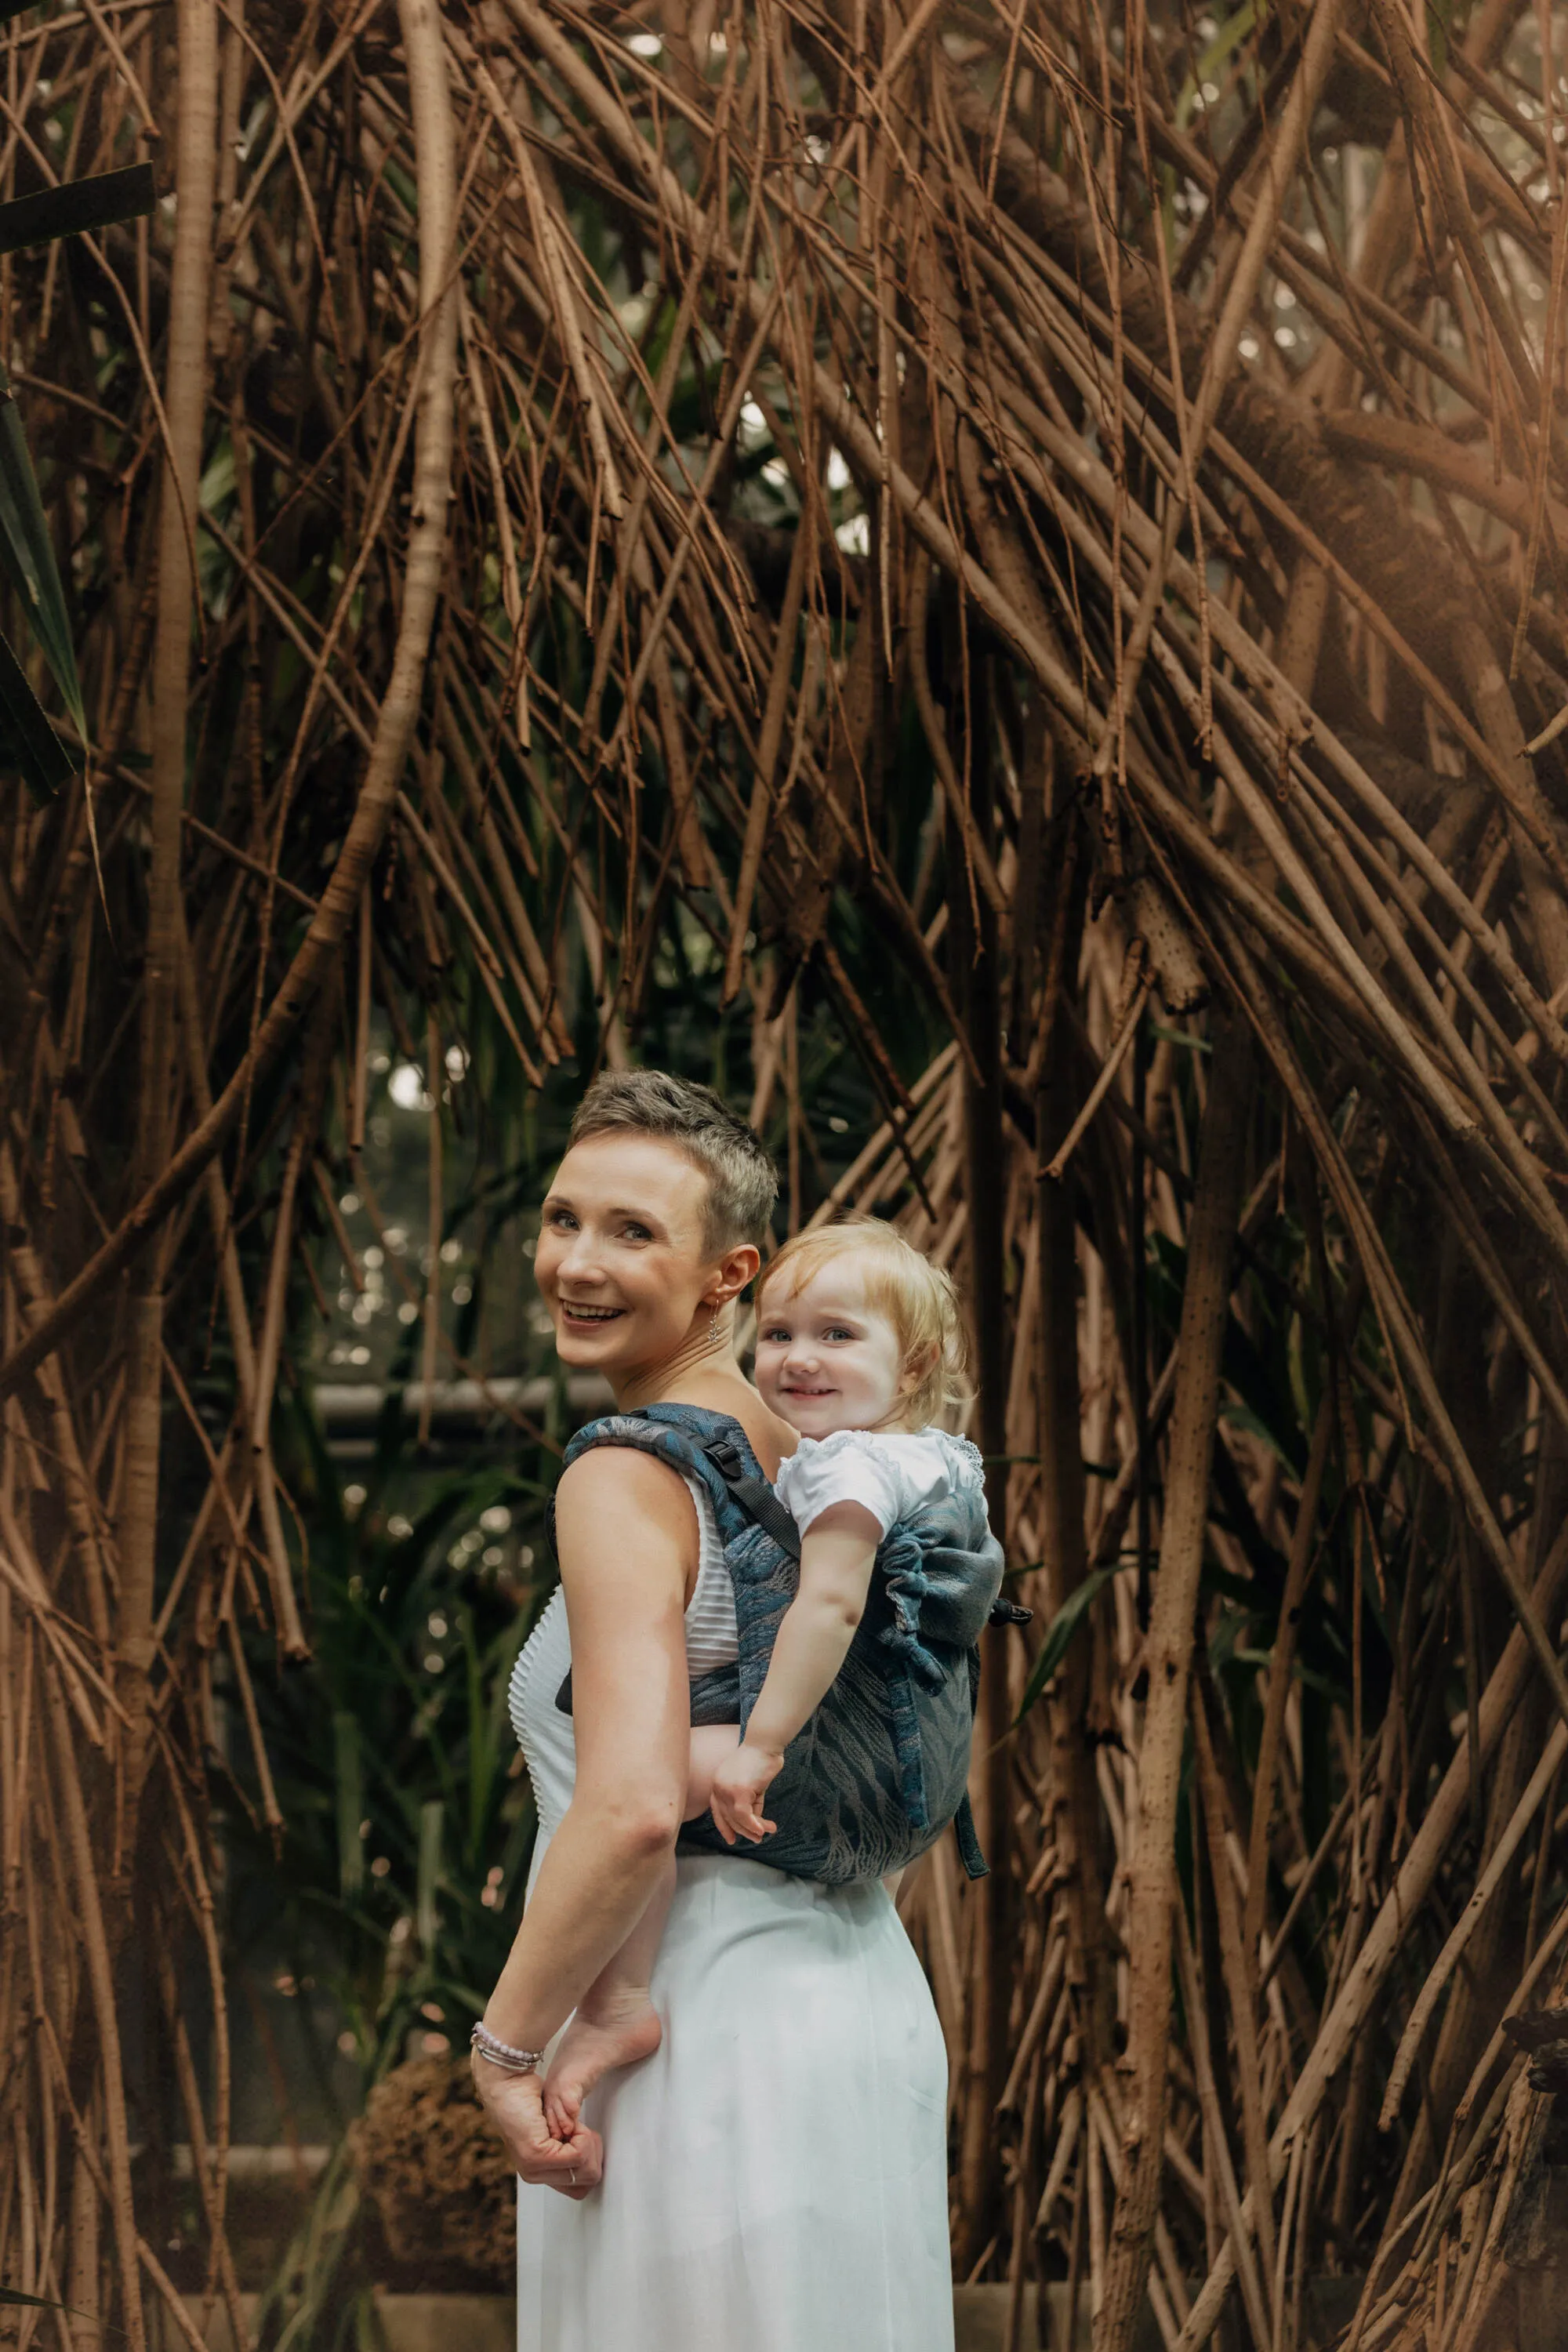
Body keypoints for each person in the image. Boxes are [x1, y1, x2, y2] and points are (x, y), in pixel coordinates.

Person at [470, 1073, 955, 2352]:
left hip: (690, 2034)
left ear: (727, 1273)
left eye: (634, 1233)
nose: (577, 1262)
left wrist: (506, 2051)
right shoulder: (828, 1460)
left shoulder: (627, 1469)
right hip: (852, 2002)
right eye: (565, 1218)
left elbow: (628, 1805)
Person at [538, 1215, 981, 2140]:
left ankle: (619, 1999)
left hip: (820, 1778)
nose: (796, 1359)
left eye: (836, 1335)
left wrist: (758, 1746)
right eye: (777, 1334)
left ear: (913, 1364)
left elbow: (829, 1611)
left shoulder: (850, 1470)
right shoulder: (938, 1458)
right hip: (901, 1812)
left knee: (642, 1772)